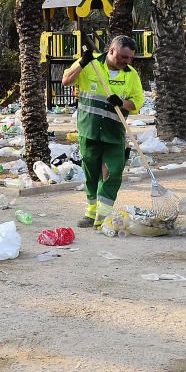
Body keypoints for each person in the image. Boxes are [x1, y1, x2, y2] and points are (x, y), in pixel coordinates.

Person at [61, 35, 145, 228]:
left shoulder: (131, 75)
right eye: (124, 57)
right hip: (89, 129)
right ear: (112, 51)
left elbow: (137, 103)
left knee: (113, 171)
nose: (127, 61)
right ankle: (91, 213)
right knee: (91, 173)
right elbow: (66, 81)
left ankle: (104, 215)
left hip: (114, 132)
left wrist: (122, 102)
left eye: (130, 58)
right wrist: (82, 62)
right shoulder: (90, 65)